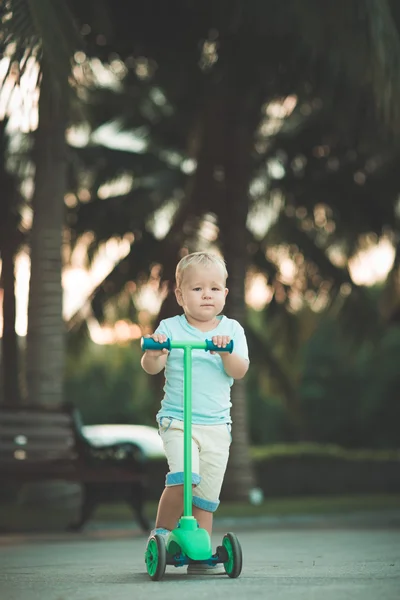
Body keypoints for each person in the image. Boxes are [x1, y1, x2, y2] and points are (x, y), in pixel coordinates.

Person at [141, 251, 249, 575]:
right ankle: (160, 533)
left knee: (205, 498)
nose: (206, 295)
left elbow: (240, 369)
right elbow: (150, 365)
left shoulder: (231, 330)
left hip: (217, 426)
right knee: (185, 477)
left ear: (225, 294)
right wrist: (156, 351)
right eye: (197, 289)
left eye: (214, 289)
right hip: (177, 421)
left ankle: (200, 554)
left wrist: (223, 352)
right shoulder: (170, 328)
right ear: (180, 295)